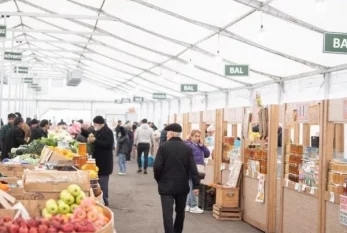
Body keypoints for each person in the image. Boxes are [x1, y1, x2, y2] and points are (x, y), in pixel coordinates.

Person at [154, 123, 200, 233]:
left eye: (167, 133)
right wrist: (196, 185)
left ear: (171, 133)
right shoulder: (187, 148)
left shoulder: (163, 147)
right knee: (180, 212)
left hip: (166, 186)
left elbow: (157, 167)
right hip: (182, 186)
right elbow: (193, 168)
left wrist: (159, 179)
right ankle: (178, 231)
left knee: (167, 214)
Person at [87, 116, 114, 206]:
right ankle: (99, 199)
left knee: (103, 182)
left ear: (100, 124)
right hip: (98, 161)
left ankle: (105, 200)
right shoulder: (97, 131)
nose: (94, 125)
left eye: (95, 124)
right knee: (97, 183)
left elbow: (108, 145)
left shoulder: (108, 132)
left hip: (105, 162)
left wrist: (95, 141)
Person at [184, 129, 210, 214]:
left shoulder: (199, 145)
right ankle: (193, 205)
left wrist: (202, 145)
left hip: (198, 167)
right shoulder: (188, 144)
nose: (197, 138)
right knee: (193, 186)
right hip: (192, 168)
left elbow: (207, 154)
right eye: (195, 136)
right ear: (191, 136)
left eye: (199, 136)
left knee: (191, 186)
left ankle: (188, 205)